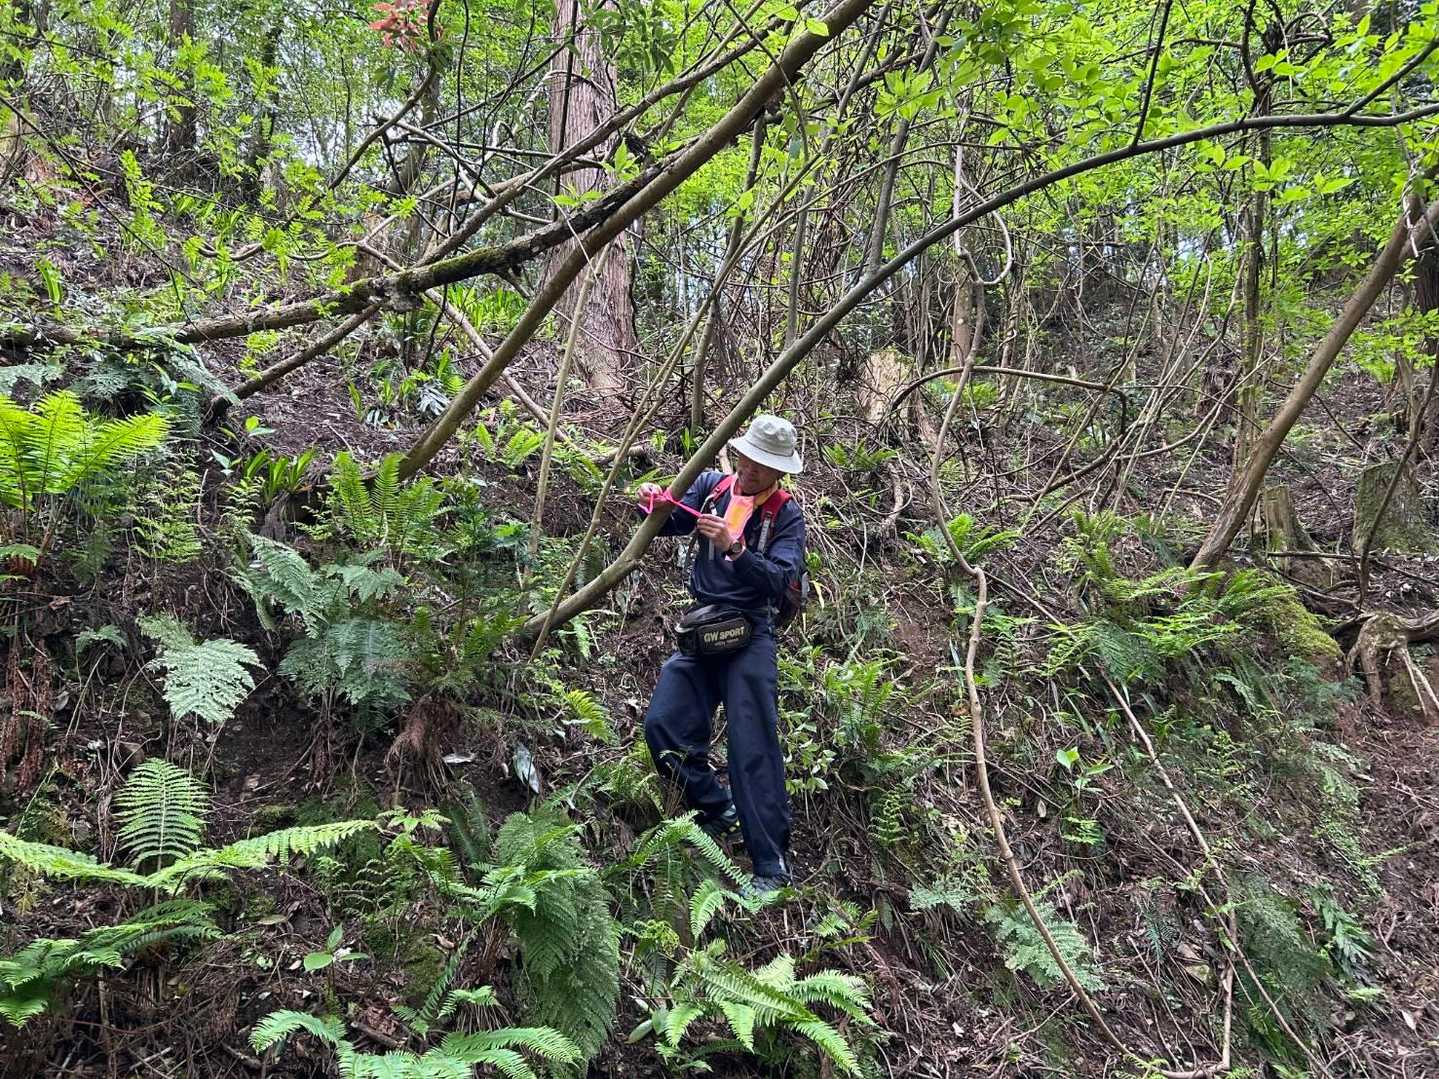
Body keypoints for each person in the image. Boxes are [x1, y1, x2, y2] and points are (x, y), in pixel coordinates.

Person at [635, 415, 806, 899]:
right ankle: (717, 807)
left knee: (752, 746)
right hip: (703, 628)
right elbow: (671, 521)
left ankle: (771, 865)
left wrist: (736, 549)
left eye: (762, 465)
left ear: (779, 472)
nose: (749, 470)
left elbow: (781, 580)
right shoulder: (712, 486)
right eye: (746, 459)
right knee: (663, 724)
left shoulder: (786, 515)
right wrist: (651, 502)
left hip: (751, 635)